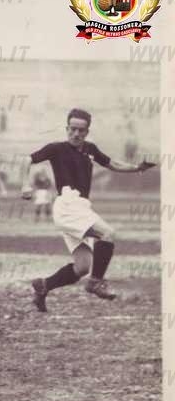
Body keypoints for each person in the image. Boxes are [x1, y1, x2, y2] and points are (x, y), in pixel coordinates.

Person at [21, 108, 156, 312]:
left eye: (81, 130)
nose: (76, 133)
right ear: (67, 128)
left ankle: (44, 285)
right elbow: (27, 160)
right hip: (68, 205)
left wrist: (137, 168)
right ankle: (95, 282)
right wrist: (25, 184)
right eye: (72, 129)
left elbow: (111, 163)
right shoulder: (56, 148)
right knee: (107, 233)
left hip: (81, 207)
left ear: (87, 132)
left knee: (82, 267)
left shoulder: (90, 149)